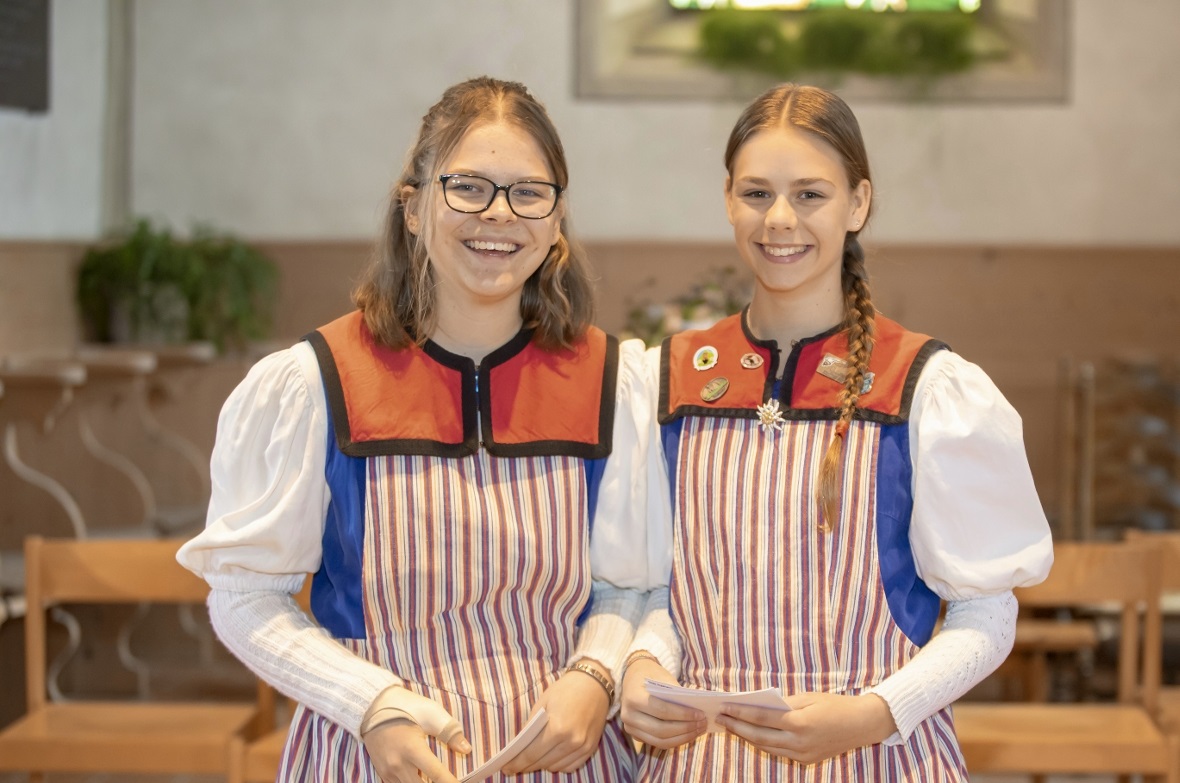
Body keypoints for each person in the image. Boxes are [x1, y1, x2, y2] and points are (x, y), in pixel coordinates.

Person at [177, 76, 660, 783]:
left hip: (566, 755)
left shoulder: (611, 382)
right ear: (413, 206)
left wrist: (595, 673)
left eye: (529, 192)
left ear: (556, 220)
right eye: (468, 187)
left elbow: (630, 584)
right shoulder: (316, 382)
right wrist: (370, 701)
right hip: (373, 753)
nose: (500, 216)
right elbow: (246, 595)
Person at [617, 83, 1054, 779]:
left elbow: (987, 615)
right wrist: (643, 665)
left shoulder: (927, 386)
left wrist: (874, 711)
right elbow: (666, 595)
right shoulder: (669, 381)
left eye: (811, 195)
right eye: (757, 193)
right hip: (704, 761)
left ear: (859, 203)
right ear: (727, 198)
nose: (780, 219)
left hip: (877, 754)